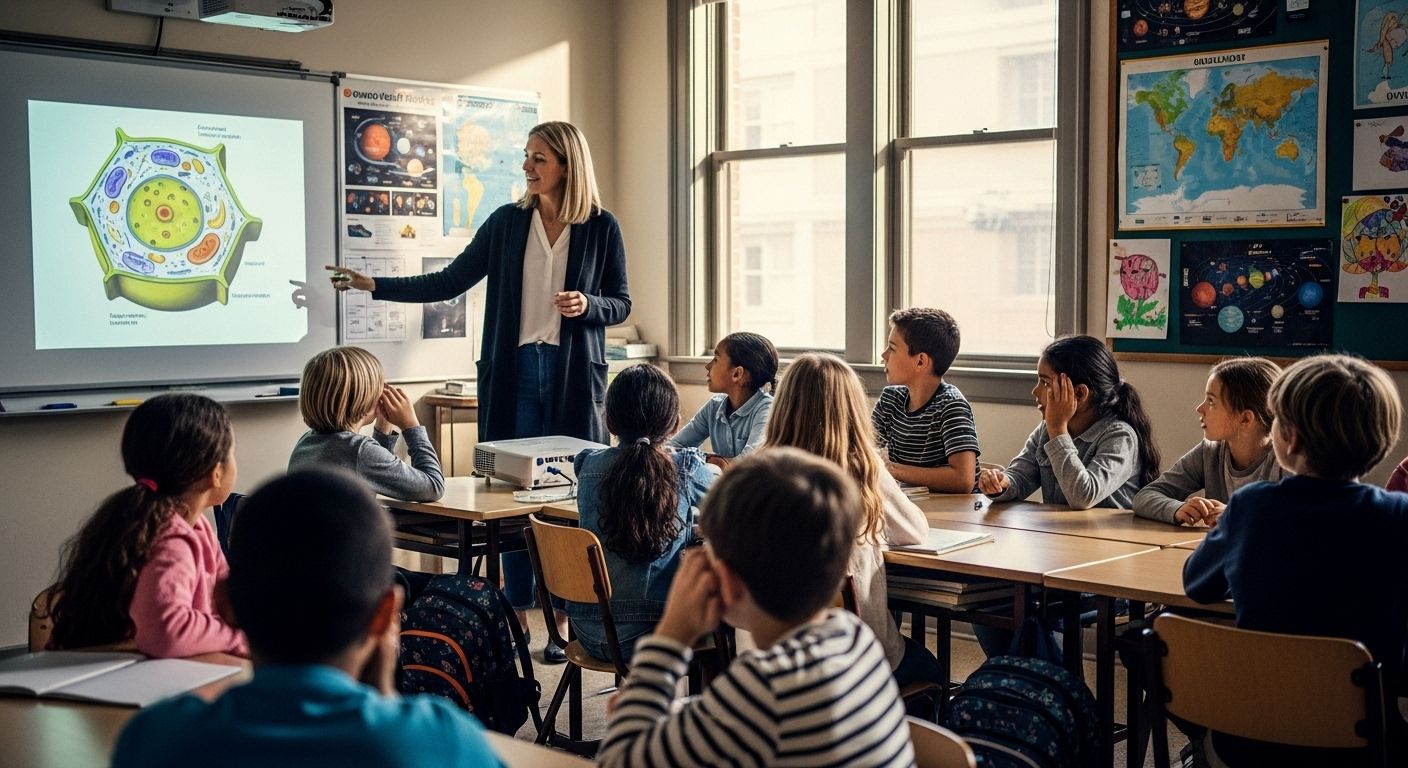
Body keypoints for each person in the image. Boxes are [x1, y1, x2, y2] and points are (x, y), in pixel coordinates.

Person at [328, 122, 628, 658]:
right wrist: (376, 286)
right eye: (527, 157)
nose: (527, 167)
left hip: (571, 374)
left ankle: (568, 621)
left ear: (566, 164)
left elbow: (621, 303)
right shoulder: (508, 223)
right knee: (509, 494)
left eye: (538, 158)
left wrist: (591, 305)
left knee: (568, 495)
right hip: (513, 372)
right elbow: (450, 280)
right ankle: (514, 611)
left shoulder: (602, 227)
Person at [111, 469, 501, 768]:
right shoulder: (443, 741)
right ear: (385, 615)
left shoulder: (154, 738)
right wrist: (384, 696)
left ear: (225, 604)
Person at [598, 448, 914, 767]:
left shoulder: (762, 689)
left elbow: (616, 760)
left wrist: (671, 635)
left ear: (727, 580)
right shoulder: (854, 638)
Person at [1183, 354, 1408, 766]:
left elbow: (1197, 585)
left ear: (1290, 438)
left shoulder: (1250, 506)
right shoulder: (1398, 517)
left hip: (1250, 737)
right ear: (1381, 441)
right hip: (1363, 740)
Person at [765, 352, 943, 690]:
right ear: (852, 411)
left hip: (777, 664)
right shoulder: (863, 470)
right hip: (858, 665)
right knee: (931, 669)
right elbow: (915, 531)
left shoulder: (757, 472)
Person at [47, 393, 246, 658]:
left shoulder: (196, 526)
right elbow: (166, 632)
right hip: (111, 675)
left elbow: (225, 598)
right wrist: (238, 639)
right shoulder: (170, 537)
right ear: (216, 472)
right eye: (232, 453)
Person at [566, 364, 714, 662]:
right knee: (718, 610)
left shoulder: (588, 468)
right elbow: (733, 508)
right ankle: (705, 704)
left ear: (609, 422)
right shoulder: (688, 469)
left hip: (586, 628)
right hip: (652, 634)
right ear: (674, 425)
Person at [979, 335, 1160, 510]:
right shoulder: (1046, 430)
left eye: (1045, 382)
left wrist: (1058, 430)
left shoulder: (1119, 437)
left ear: (1080, 394)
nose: (1035, 391)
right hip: (1064, 536)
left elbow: (1082, 496)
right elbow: (1020, 477)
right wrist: (1001, 483)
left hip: (1109, 539)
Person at [1133, 357, 1285, 526]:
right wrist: (1178, 509)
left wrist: (1236, 514)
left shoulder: (1286, 461)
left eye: (1211, 401)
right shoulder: (1210, 451)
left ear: (1245, 419)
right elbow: (1145, 496)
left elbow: (1306, 521)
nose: (1200, 409)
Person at [288, 346, 444, 502]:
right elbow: (433, 486)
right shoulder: (359, 451)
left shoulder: (306, 442)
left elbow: (374, 476)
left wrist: (383, 430)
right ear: (363, 400)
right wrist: (411, 426)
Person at [873, 307, 980, 492]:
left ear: (920, 361)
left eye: (892, 348)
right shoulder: (890, 399)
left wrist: (891, 469)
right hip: (913, 507)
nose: (884, 356)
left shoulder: (951, 405)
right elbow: (863, 448)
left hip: (953, 515)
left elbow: (964, 479)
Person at [669, 331, 778, 469]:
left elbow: (748, 465)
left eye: (715, 359)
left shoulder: (767, 409)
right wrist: (713, 460)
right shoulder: (714, 406)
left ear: (737, 374)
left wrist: (700, 459)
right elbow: (673, 447)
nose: (707, 366)